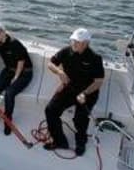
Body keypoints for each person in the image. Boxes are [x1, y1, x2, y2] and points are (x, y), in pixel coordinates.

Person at [44, 28, 105, 156]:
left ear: (86, 43)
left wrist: (84, 94)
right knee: (50, 110)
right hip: (69, 88)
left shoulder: (95, 58)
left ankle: (81, 141)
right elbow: (50, 64)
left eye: (77, 42)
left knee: (80, 118)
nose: (73, 44)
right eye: (73, 40)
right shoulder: (66, 51)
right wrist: (59, 72)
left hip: (88, 92)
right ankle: (60, 141)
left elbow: (98, 81)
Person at [0, 22, 33, 135]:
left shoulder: (14, 43)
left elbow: (21, 61)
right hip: (9, 70)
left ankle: (8, 121)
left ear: (4, 32)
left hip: (24, 72)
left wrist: (16, 77)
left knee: (9, 93)